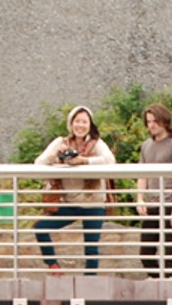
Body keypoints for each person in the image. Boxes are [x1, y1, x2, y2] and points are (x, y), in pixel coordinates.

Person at [34, 106, 116, 273]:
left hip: (93, 203)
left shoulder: (97, 143)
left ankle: (89, 285)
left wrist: (83, 161)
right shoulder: (60, 142)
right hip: (69, 203)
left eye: (84, 122)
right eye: (77, 121)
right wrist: (56, 155)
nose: (80, 125)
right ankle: (53, 264)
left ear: (90, 124)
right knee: (40, 228)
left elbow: (110, 160)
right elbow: (39, 162)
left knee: (91, 249)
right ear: (71, 124)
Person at [134, 103, 172, 277]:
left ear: (164, 121)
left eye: (155, 121)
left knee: (170, 252)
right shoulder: (146, 146)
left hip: (169, 203)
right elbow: (142, 175)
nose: (151, 125)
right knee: (146, 253)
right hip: (152, 204)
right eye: (149, 122)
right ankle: (158, 281)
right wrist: (140, 198)